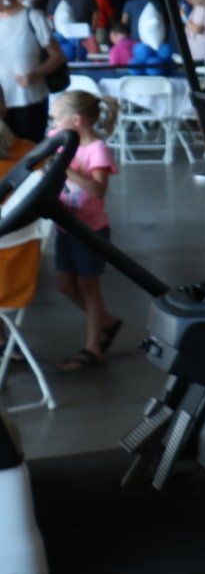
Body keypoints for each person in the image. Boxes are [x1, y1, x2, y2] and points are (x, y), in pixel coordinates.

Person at [49, 89, 124, 374]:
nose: (54, 126)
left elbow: (98, 189)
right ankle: (105, 321)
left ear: (76, 120)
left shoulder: (96, 150)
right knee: (66, 285)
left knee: (88, 288)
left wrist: (65, 169)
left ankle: (94, 347)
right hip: (65, 226)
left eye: (58, 120)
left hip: (90, 230)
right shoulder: (60, 145)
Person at [0, 0, 63, 143]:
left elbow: (57, 56)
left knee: (30, 154)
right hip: (1, 104)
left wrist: (35, 74)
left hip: (28, 100)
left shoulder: (33, 17)